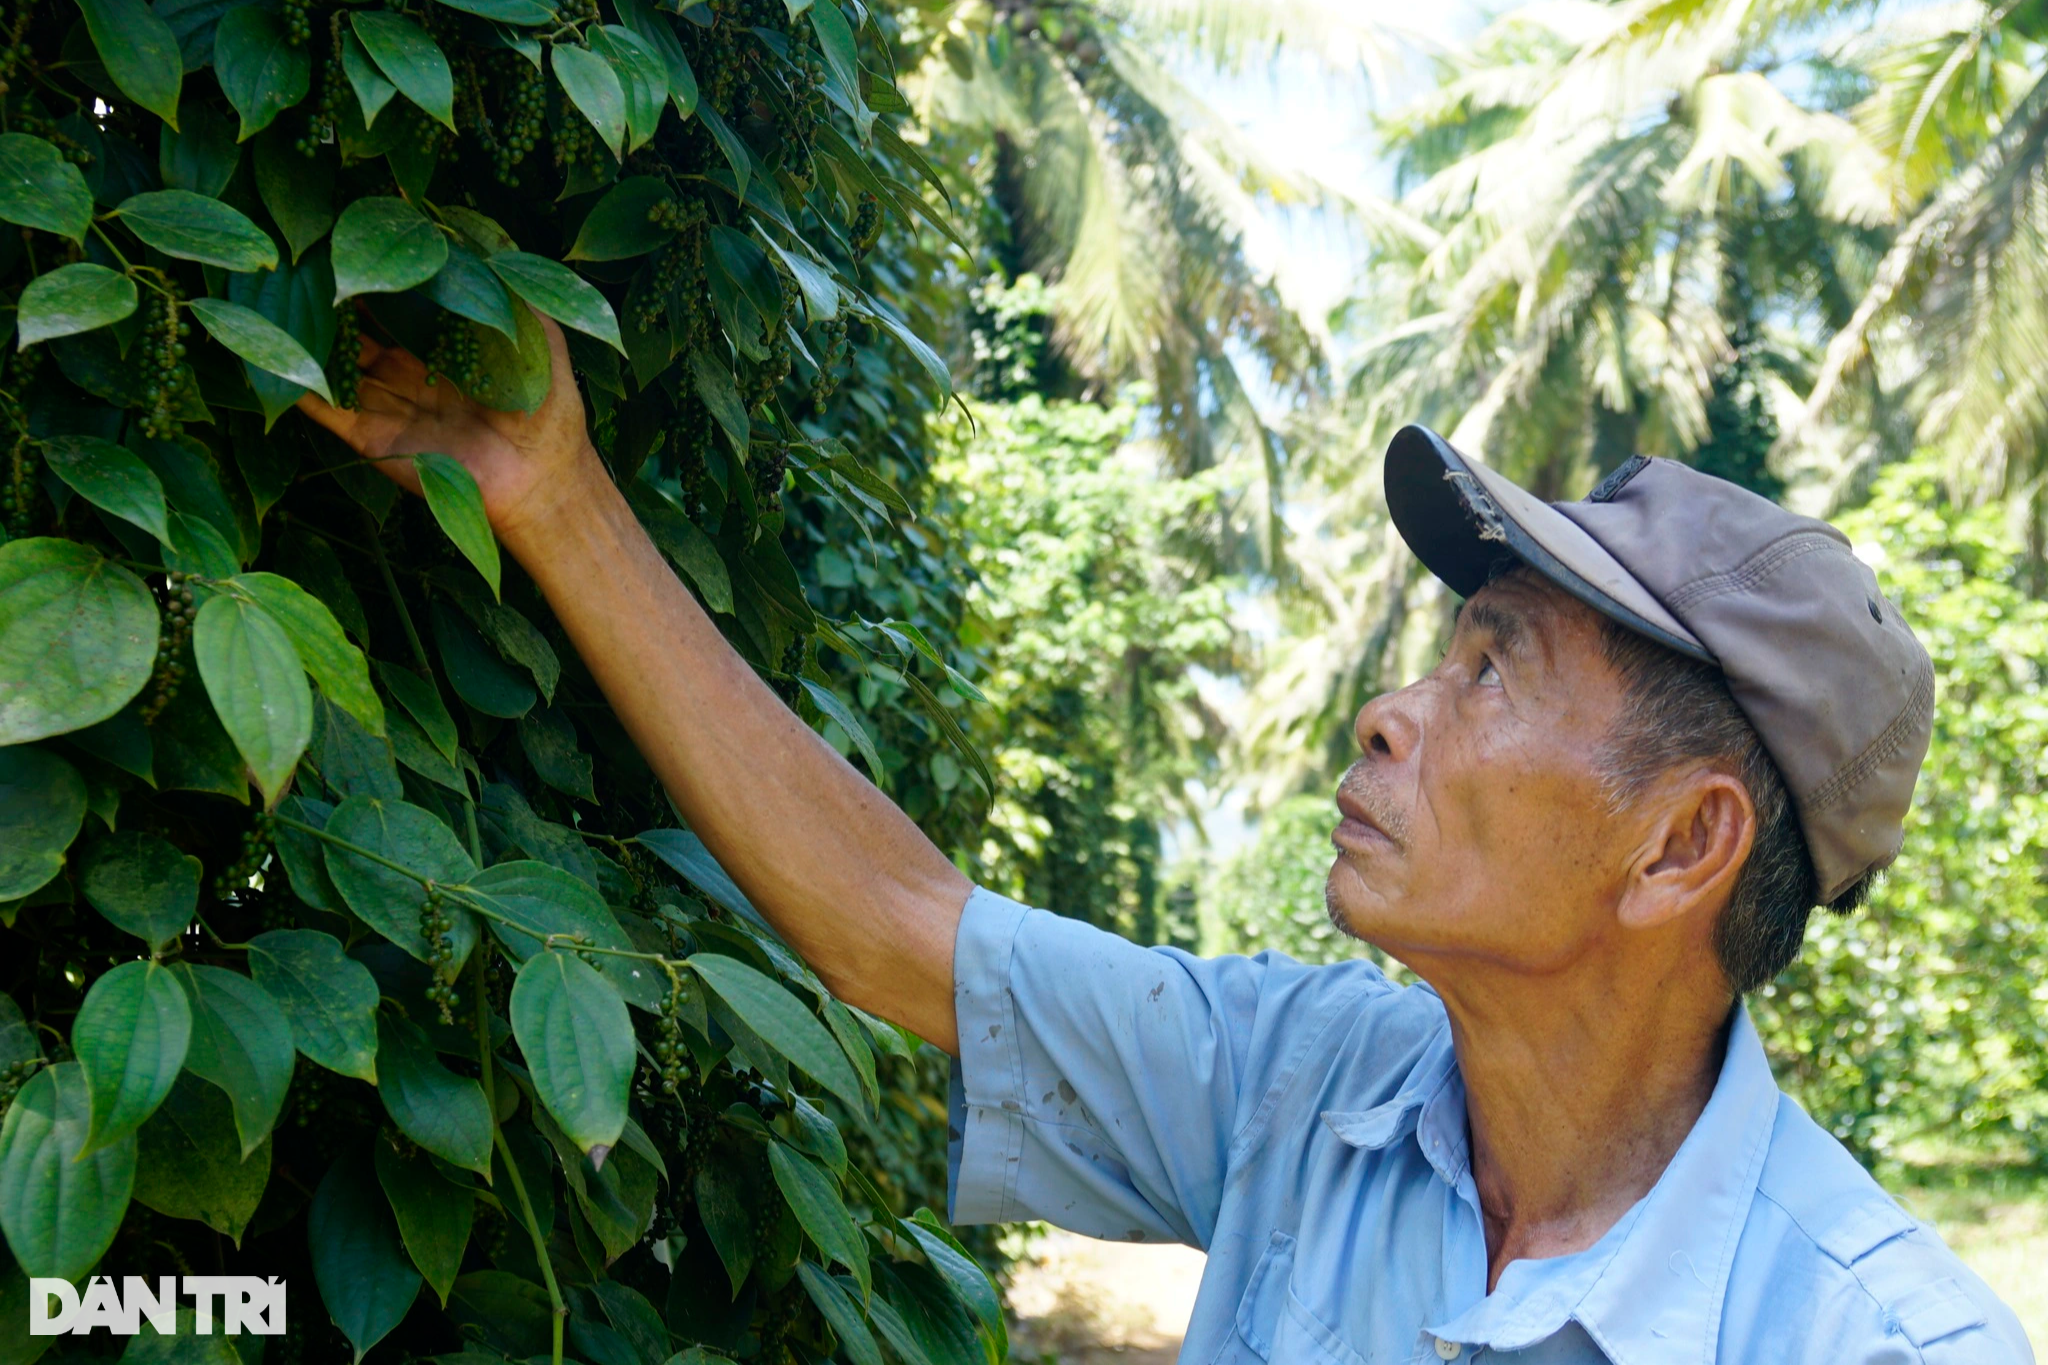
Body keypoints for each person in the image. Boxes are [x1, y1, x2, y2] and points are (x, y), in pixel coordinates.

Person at [302, 321, 2034, 1364]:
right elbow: (901, 922)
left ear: (1683, 850)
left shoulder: (1877, 1339)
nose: (1391, 713)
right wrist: (555, 498)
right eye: (1443, 651)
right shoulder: (1309, 1083)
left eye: (1495, 671)